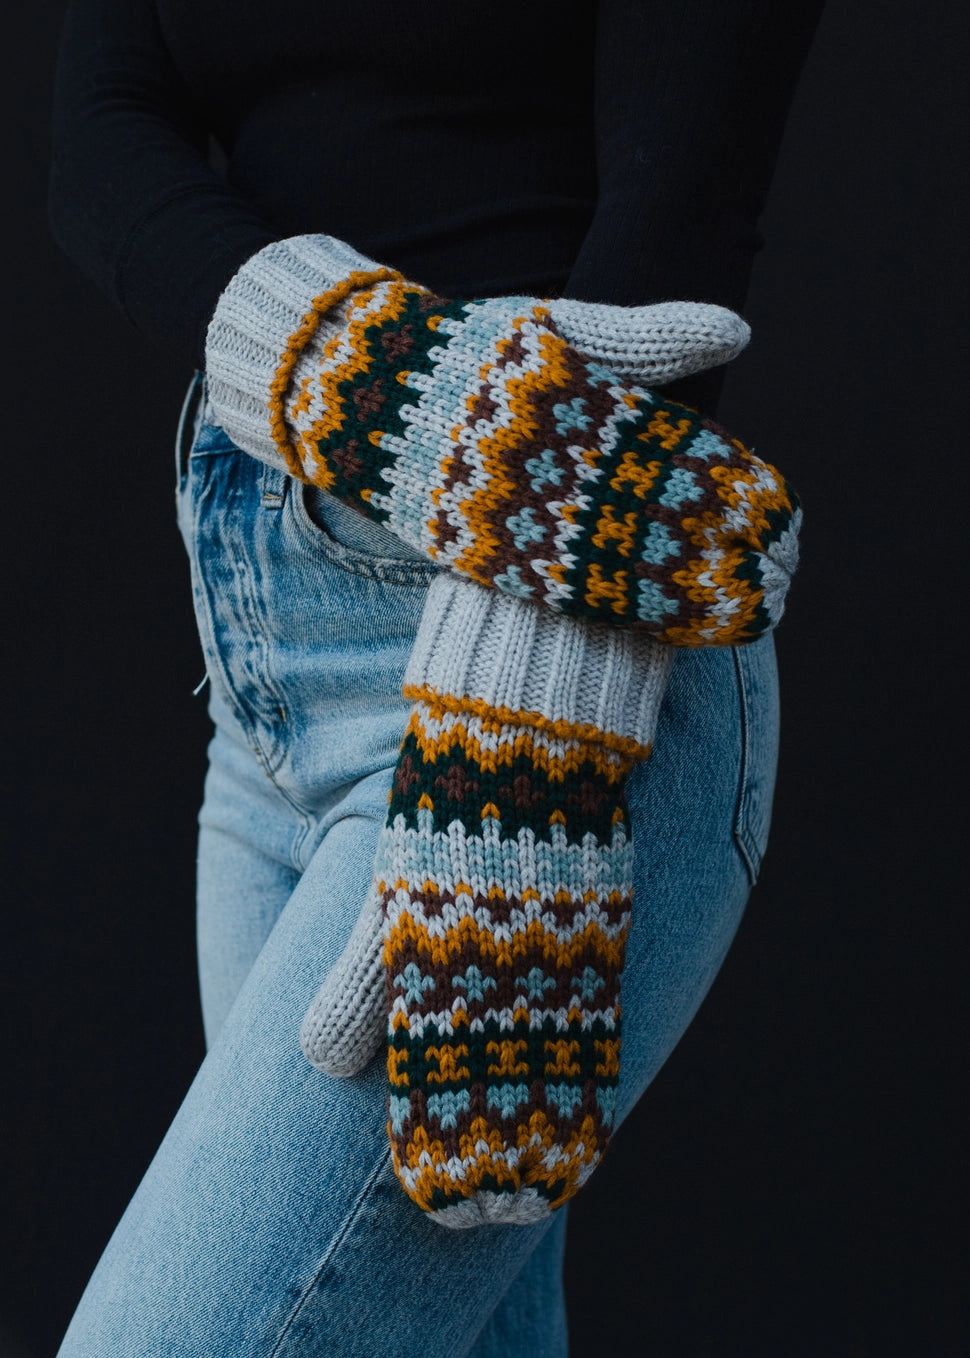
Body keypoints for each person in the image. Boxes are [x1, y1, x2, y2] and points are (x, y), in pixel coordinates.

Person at [49, 0, 823, 1352]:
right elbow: (97, 137)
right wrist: (364, 377)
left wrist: (522, 697)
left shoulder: (533, 704)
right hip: (260, 666)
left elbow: (678, 221)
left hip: (554, 693)